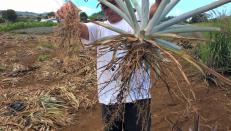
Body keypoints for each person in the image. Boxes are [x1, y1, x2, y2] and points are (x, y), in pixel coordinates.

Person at [56, 0, 161, 131]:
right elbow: (81, 28)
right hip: (109, 98)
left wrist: (159, 2)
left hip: (138, 98)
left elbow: (156, 9)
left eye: (113, 4)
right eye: (104, 6)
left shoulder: (139, 20)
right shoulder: (99, 27)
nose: (108, 10)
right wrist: (70, 15)